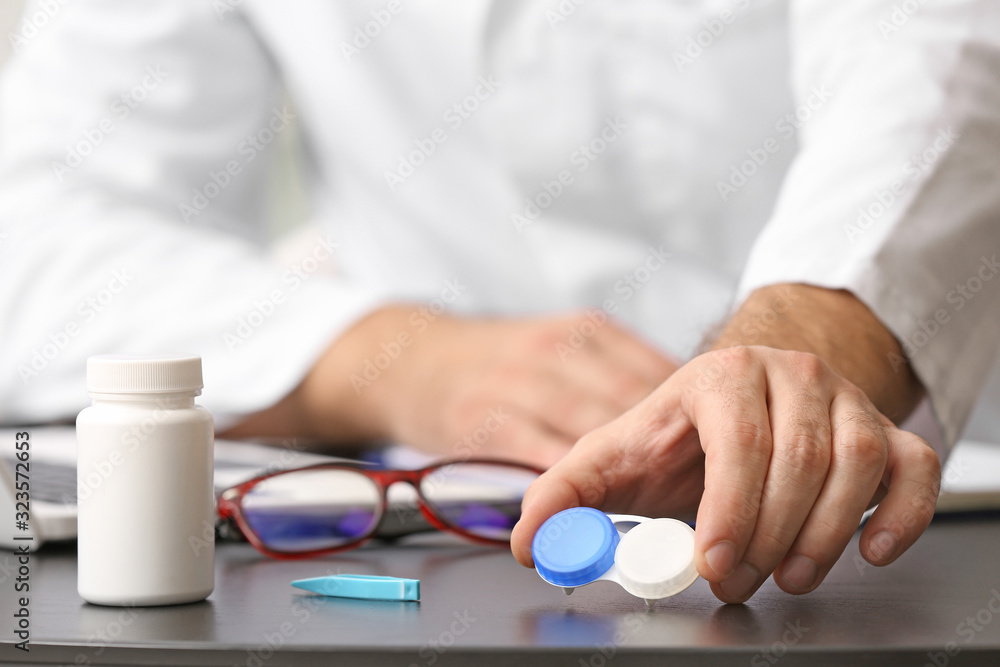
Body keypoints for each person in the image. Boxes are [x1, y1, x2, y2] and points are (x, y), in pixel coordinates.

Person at [0, 0, 998, 604]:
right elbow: (43, 216)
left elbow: (939, 57)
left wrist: (813, 328)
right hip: (467, 521)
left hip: (913, 494)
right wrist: (390, 357)